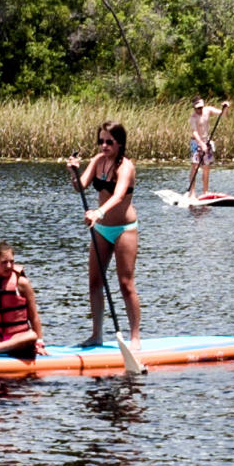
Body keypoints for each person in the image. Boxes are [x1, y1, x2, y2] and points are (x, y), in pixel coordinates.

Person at [64, 120, 143, 356]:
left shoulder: (126, 167)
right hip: (101, 229)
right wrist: (73, 172)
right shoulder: (98, 161)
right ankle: (96, 334)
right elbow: (80, 187)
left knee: (125, 284)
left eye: (109, 141)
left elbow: (118, 196)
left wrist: (98, 212)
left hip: (124, 229)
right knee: (94, 282)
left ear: (120, 143)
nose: (104, 145)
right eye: (101, 141)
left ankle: (135, 337)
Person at [186, 96, 231, 198]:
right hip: (196, 142)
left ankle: (205, 192)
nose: (200, 109)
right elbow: (194, 133)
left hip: (207, 141)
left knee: (206, 168)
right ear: (194, 107)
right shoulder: (193, 118)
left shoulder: (208, 110)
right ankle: (192, 193)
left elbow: (223, 114)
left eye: (201, 107)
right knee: (195, 167)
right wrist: (201, 144)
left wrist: (225, 107)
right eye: (198, 108)